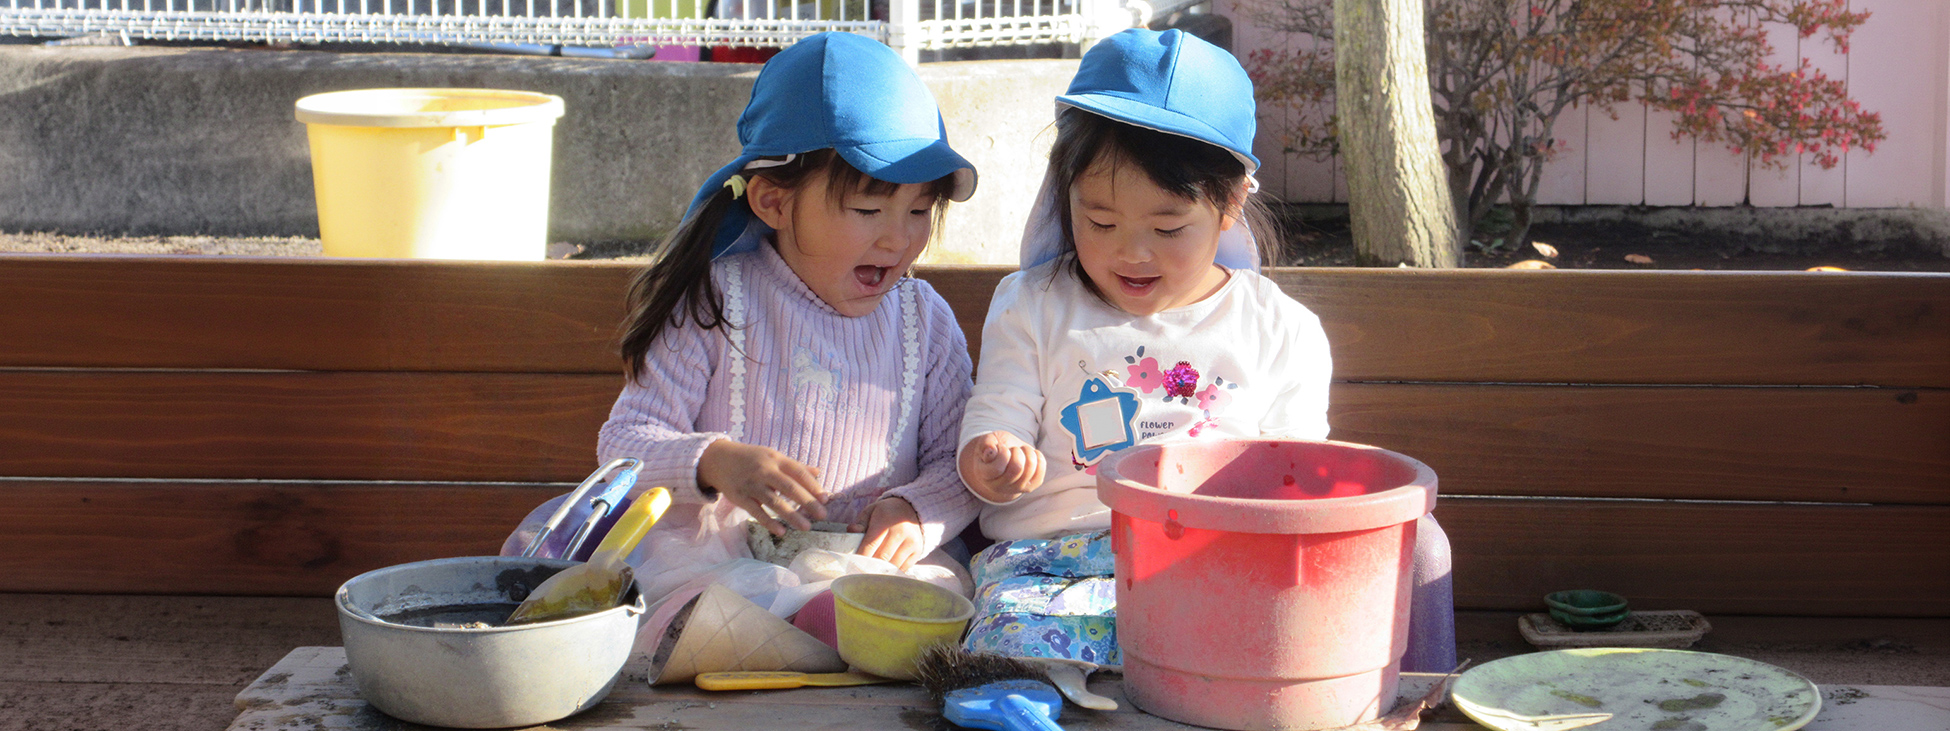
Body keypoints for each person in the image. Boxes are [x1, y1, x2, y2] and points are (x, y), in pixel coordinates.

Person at [955, 28, 1456, 671]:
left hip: (1215, 562)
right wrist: (991, 457)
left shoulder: (1277, 327)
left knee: (1260, 651)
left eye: (1168, 227)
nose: (1132, 251)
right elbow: (998, 409)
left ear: (1230, 204)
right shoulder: (1034, 303)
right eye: (1100, 221)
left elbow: (1293, 473)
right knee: (1010, 655)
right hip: (1052, 563)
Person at [503, 32, 982, 591]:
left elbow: (958, 462)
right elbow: (625, 445)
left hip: (866, 572)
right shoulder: (716, 300)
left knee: (906, 607)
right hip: (717, 572)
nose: (898, 239)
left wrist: (914, 511)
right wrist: (716, 462)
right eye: (867, 208)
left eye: (919, 210)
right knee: (730, 616)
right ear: (773, 201)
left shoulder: (923, 321)